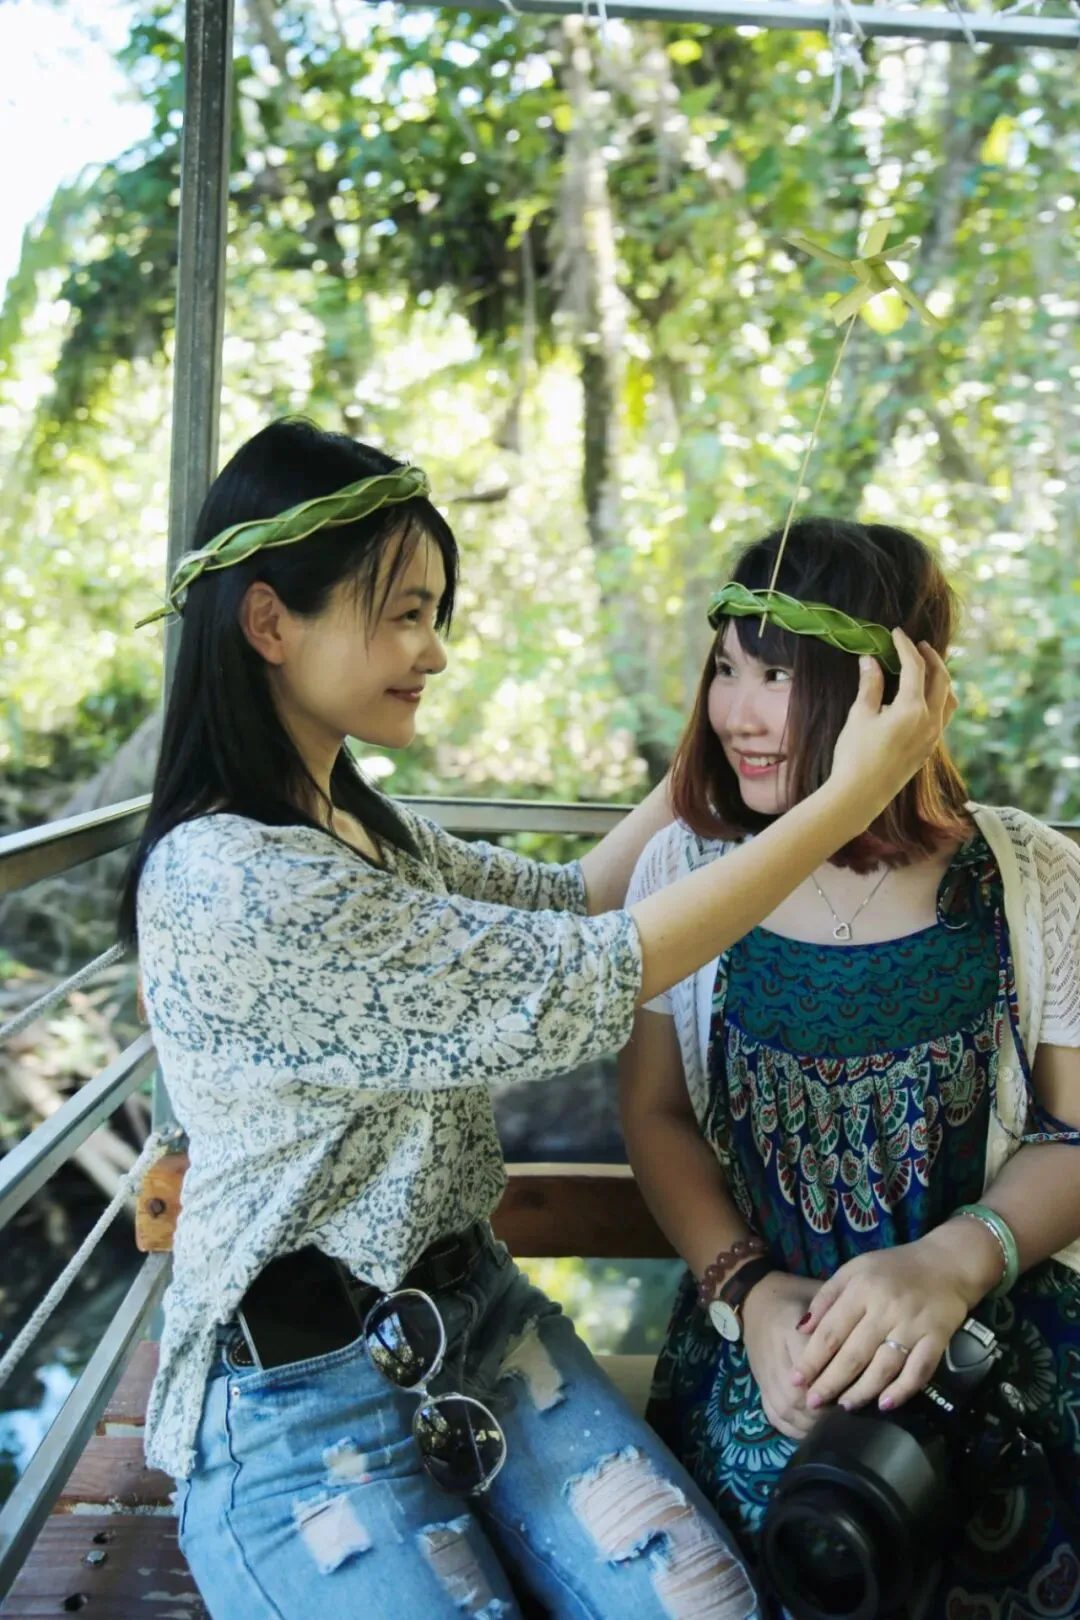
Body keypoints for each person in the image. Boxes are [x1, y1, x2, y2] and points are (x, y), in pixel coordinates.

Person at [121, 422, 950, 1620]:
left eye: (434, 613)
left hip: (479, 1329)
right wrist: (847, 796)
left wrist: (722, 739)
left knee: (709, 1605)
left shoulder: (360, 827)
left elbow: (573, 901)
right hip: (295, 1408)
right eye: (405, 614)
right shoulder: (236, 882)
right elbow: (587, 976)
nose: (435, 650)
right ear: (269, 623)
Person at [620, 516, 1080, 1620]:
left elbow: (1072, 1135)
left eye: (777, 675)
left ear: (895, 688)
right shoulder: (685, 869)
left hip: (989, 1355)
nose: (735, 712)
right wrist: (748, 1291)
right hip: (767, 1355)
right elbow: (655, 1114)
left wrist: (948, 1268)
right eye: (725, 669)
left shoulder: (1031, 877)